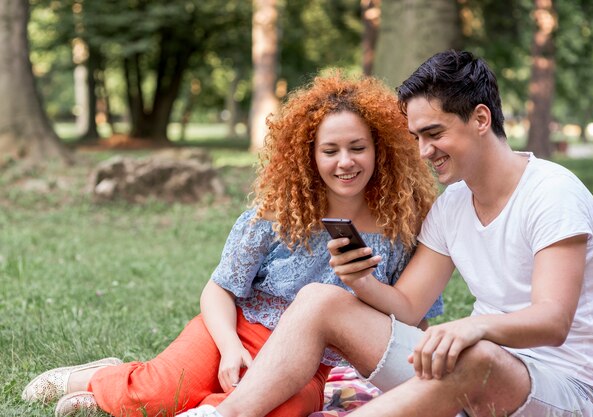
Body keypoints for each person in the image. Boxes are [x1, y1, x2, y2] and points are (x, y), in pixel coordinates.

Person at [177, 50, 593, 417]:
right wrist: (360, 282)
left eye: (434, 133)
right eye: (417, 137)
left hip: (557, 387)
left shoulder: (553, 194)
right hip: (468, 370)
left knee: (474, 358)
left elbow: (553, 322)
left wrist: (474, 328)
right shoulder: (453, 205)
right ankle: (227, 413)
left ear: (481, 118)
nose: (424, 152)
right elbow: (406, 308)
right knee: (319, 298)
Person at [21, 72, 443, 417]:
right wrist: (229, 348)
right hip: (239, 330)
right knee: (159, 393)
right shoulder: (280, 212)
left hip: (310, 363)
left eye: (357, 148)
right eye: (329, 150)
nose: (345, 162)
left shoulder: (401, 225)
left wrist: (372, 293)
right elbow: (219, 288)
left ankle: (199, 407)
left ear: (381, 150)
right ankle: (100, 378)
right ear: (309, 155)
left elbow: (411, 321)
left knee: (276, 411)